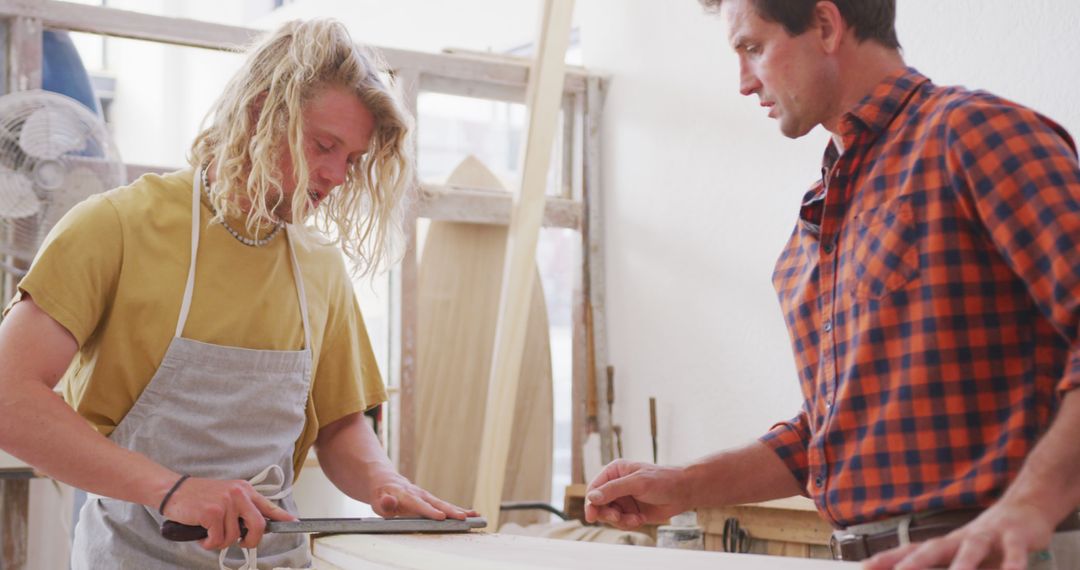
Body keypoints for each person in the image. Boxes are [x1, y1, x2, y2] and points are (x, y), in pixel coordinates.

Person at [584, 1, 1080, 568]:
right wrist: (682, 484)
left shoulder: (972, 135)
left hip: (1001, 552)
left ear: (825, 24)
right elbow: (828, 438)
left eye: (753, 48)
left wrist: (1032, 505)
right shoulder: (814, 227)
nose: (744, 84)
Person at [0, 19, 473, 569]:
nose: (338, 176)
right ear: (261, 113)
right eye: (325, 146)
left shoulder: (317, 265)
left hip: (274, 559)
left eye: (351, 160)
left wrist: (382, 481)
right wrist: (173, 489)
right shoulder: (117, 227)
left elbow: (341, 422)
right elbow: (9, 396)